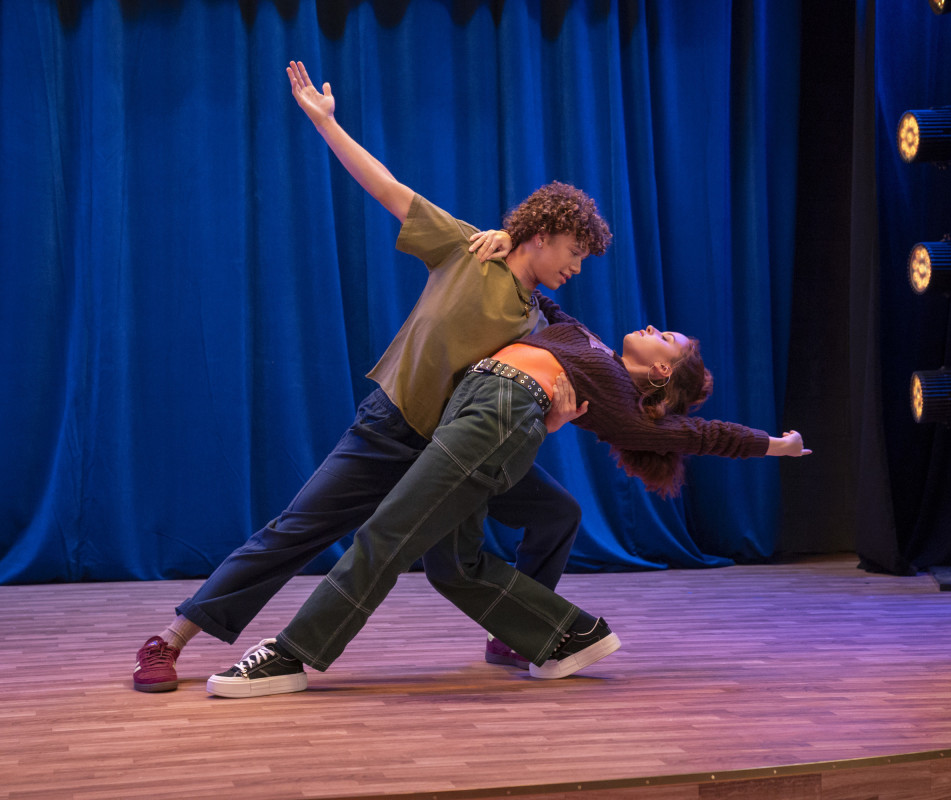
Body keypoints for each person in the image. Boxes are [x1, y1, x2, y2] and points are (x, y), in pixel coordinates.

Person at [132, 60, 611, 692]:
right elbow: (386, 187)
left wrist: (552, 420)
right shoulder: (468, 248)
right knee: (297, 530)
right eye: (575, 252)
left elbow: (523, 401)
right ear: (543, 235)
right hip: (392, 429)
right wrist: (328, 124)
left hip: (459, 450)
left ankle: (517, 630)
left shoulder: (536, 319)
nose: (578, 266)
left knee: (559, 512)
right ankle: (170, 640)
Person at [205, 314, 812, 697]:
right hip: (473, 411)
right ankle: (563, 635)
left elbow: (699, 435)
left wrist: (774, 446)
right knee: (453, 566)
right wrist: (500, 239)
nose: (655, 326)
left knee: (387, 535)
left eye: (667, 338)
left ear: (659, 371)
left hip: (498, 417)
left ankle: (290, 656)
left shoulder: (623, 403)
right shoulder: (585, 337)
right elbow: (530, 286)